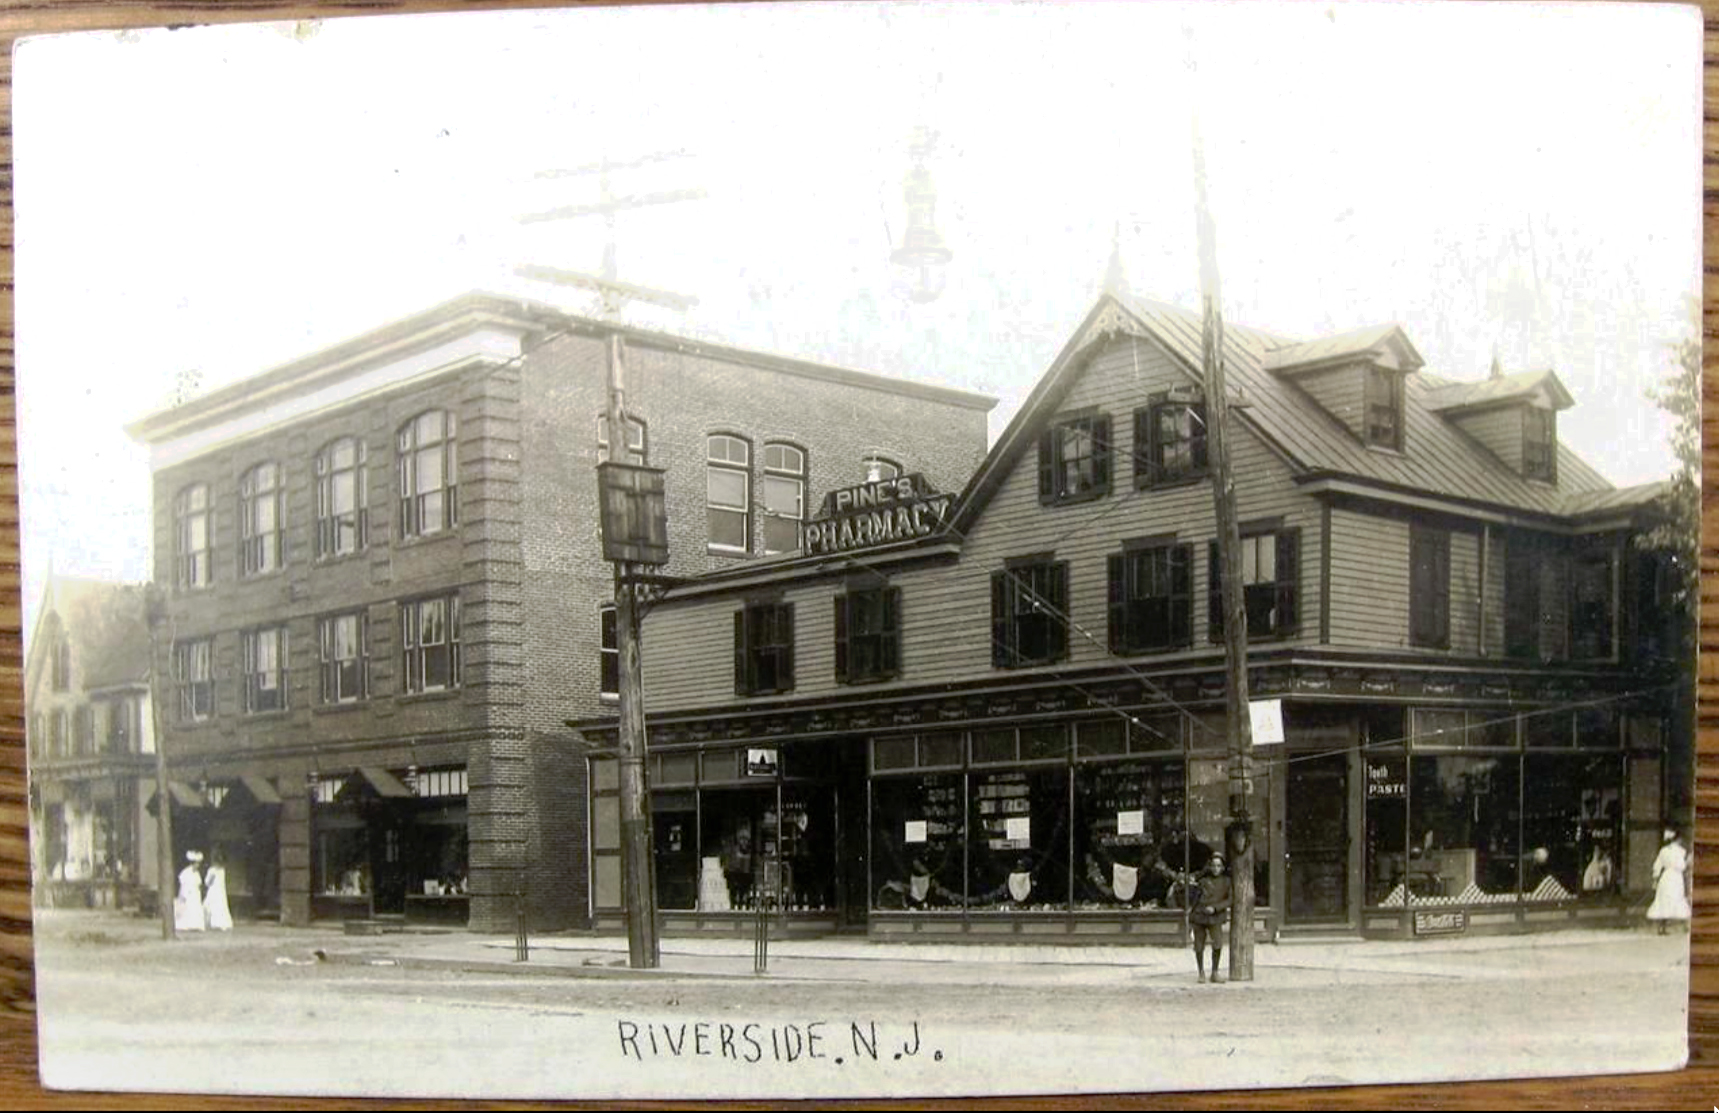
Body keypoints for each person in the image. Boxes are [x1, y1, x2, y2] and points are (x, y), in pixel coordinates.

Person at [1187, 853, 1231, 984]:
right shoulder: (1202, 880)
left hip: (1215, 916)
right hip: (1200, 915)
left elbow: (1230, 899)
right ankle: (1201, 972)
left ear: (1223, 867)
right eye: (1213, 865)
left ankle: (1215, 972)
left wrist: (1216, 908)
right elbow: (1194, 898)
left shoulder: (1227, 882)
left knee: (1217, 943)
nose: (1216, 868)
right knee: (1199, 945)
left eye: (1219, 866)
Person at [1647, 827, 1691, 935]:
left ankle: (1662, 927)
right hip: (1675, 878)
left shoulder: (1663, 851)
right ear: (1678, 840)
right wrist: (1688, 861)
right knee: (1678, 899)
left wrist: (1655, 878)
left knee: (1664, 900)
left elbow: (1657, 865)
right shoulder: (1681, 851)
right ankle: (1686, 926)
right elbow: (1681, 866)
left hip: (1665, 877)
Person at [174, 851, 206, 933]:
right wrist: (183, 895)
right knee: (187, 909)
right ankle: (187, 925)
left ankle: (195, 925)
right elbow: (183, 884)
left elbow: (198, 883)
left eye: (198, 864)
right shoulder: (186, 872)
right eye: (196, 863)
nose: (197, 865)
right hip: (188, 893)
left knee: (196, 908)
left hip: (195, 893)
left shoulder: (196, 873)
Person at [203, 854, 233, 932]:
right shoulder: (211, 870)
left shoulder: (222, 871)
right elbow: (207, 882)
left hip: (220, 891)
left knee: (220, 906)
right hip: (213, 891)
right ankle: (210, 923)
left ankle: (220, 923)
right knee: (210, 906)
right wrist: (211, 878)